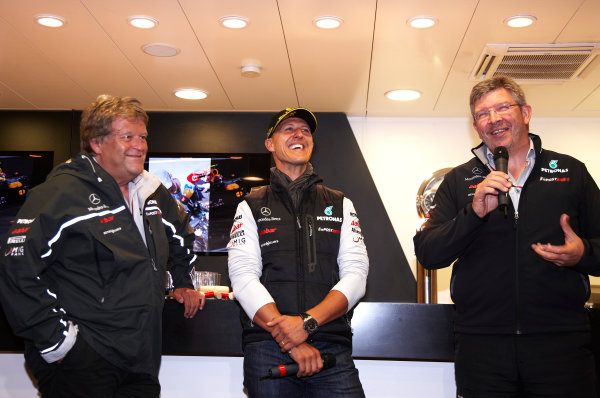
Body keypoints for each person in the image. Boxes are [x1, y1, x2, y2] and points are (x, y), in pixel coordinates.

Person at [0, 95, 205, 397]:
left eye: (143, 136)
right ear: (96, 143)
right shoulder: (61, 193)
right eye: (127, 136)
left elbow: (182, 235)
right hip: (84, 359)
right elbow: (17, 267)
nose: (140, 144)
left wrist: (182, 281)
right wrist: (58, 342)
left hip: (141, 357)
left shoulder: (151, 191)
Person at [414, 76, 600, 397]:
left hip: (560, 343)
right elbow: (428, 252)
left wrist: (582, 253)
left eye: (503, 107)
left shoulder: (571, 172)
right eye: (483, 114)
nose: (494, 118)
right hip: (481, 346)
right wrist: (473, 214)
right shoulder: (459, 181)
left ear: (525, 113)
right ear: (476, 126)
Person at [227, 107, 369, 397]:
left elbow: (356, 275)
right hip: (268, 346)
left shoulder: (341, 204)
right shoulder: (250, 205)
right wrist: (291, 339)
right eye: (288, 129)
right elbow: (243, 278)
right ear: (270, 143)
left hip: (330, 344)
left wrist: (308, 323)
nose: (299, 135)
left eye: (305, 131)